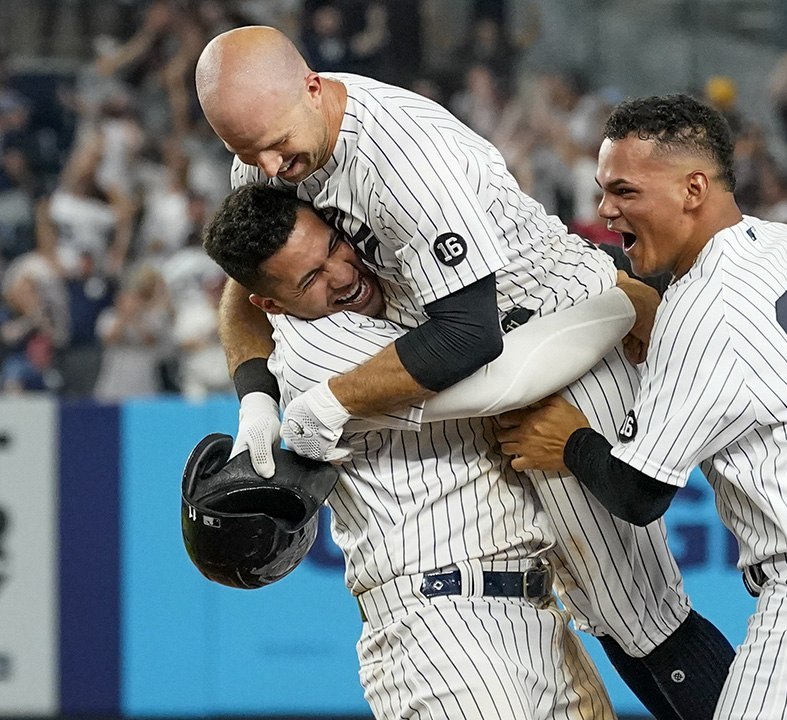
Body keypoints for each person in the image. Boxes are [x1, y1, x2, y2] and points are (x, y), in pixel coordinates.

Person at [194, 27, 732, 720]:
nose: (267, 165)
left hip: (560, 337)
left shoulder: (401, 155)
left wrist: (332, 400)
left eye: (272, 142)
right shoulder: (274, 150)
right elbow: (245, 281)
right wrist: (254, 397)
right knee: (608, 616)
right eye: (247, 153)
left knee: (637, 616)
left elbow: (468, 336)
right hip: (487, 355)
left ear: (312, 84)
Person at [495, 94, 787, 719]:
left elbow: (640, 494)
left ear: (693, 188)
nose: (605, 209)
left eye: (624, 191)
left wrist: (569, 443)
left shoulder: (703, 308)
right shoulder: (785, 243)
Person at [202, 184, 639, 719]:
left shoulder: (394, 283)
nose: (340, 275)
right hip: (443, 631)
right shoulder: (317, 349)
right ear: (271, 305)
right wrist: (628, 300)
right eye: (310, 278)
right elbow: (510, 380)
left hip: (530, 611)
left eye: (334, 246)